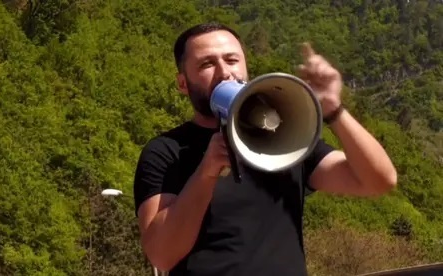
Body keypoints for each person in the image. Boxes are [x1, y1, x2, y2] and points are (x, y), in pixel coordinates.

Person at [133, 22, 397, 276]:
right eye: (207, 63)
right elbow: (161, 254)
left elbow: (378, 181)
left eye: (232, 60)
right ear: (183, 83)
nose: (225, 72)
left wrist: (333, 109)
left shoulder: (287, 139)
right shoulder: (166, 152)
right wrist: (206, 173)